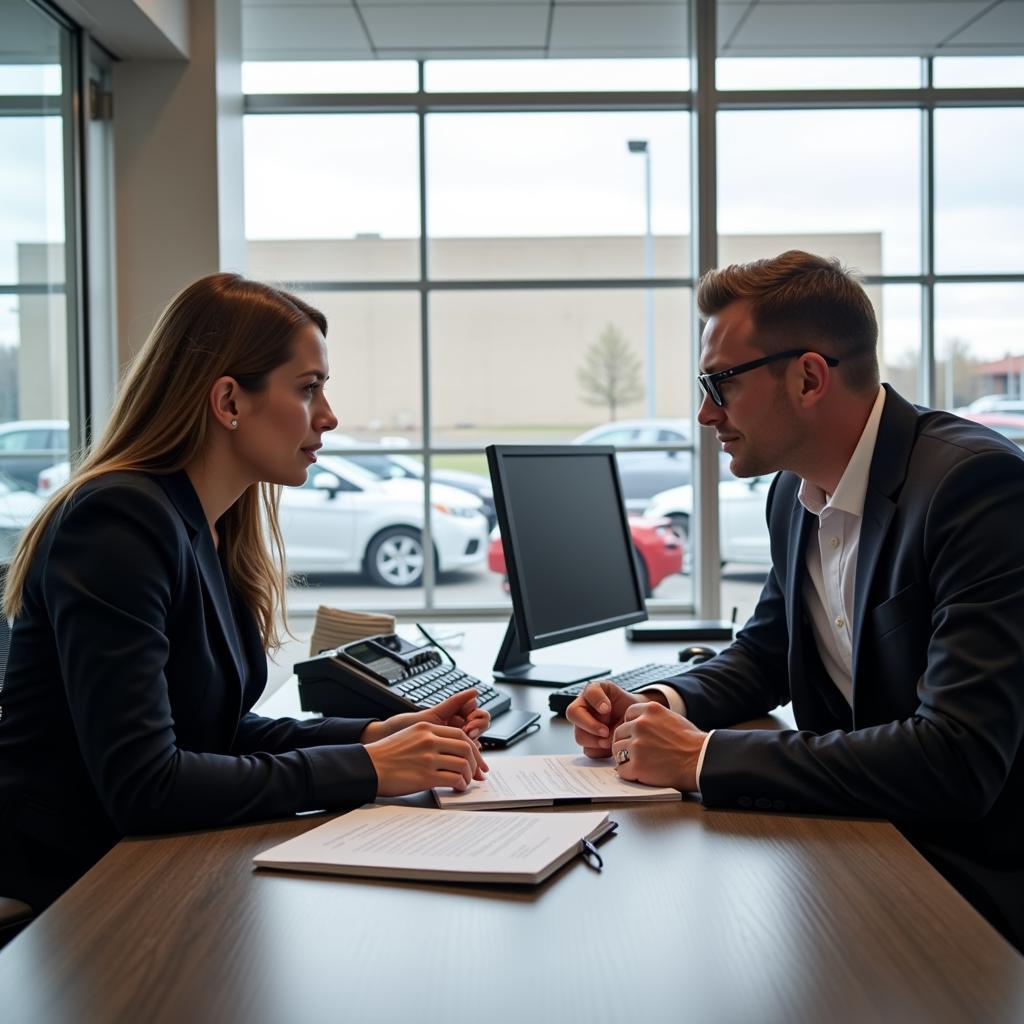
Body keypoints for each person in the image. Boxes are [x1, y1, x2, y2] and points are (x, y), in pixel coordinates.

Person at [568, 250, 1024, 949]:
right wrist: (658, 707)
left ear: (810, 377)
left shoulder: (974, 490)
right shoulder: (793, 490)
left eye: (720, 383)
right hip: (859, 845)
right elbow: (765, 653)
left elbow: (957, 759)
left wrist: (700, 758)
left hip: (970, 883)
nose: (702, 412)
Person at [0, 273, 489, 912]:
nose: (329, 416)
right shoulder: (117, 521)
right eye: (308, 388)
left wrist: (373, 736)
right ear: (229, 400)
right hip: (70, 884)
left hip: (144, 862)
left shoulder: (206, 522)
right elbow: (148, 784)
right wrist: (369, 769)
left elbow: (214, 732)